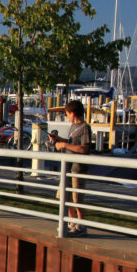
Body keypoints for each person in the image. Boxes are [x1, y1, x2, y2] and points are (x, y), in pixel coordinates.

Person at [48, 99, 91, 237]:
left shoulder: (85, 128)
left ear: (73, 113)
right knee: (66, 197)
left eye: (67, 114)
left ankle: (81, 225)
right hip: (68, 167)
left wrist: (65, 146)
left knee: (77, 197)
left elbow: (84, 148)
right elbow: (72, 143)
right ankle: (71, 223)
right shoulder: (73, 126)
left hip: (78, 168)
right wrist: (59, 139)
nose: (67, 117)